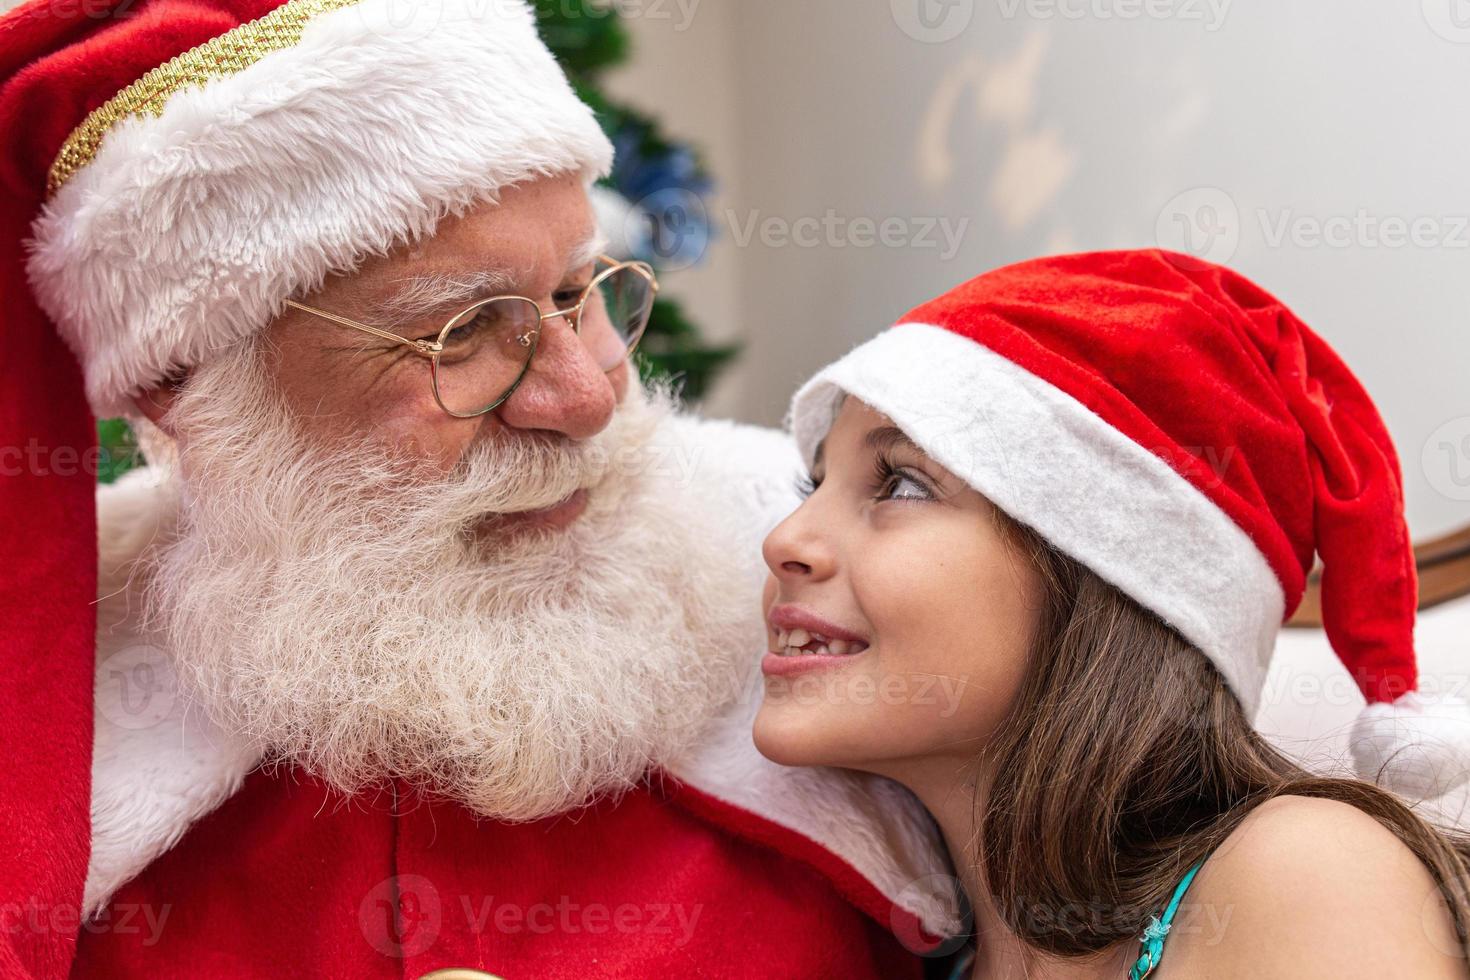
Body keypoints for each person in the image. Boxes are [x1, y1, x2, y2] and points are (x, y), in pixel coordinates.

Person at [0, 0, 961, 974]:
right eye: (458, 333)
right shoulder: (68, 726)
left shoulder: (832, 575)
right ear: (185, 397)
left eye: (576, 291)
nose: (584, 396)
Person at [755, 249, 1470, 978]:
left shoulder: (1306, 870)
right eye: (808, 487)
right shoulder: (900, 950)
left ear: (1112, 578)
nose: (785, 541)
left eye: (902, 484)